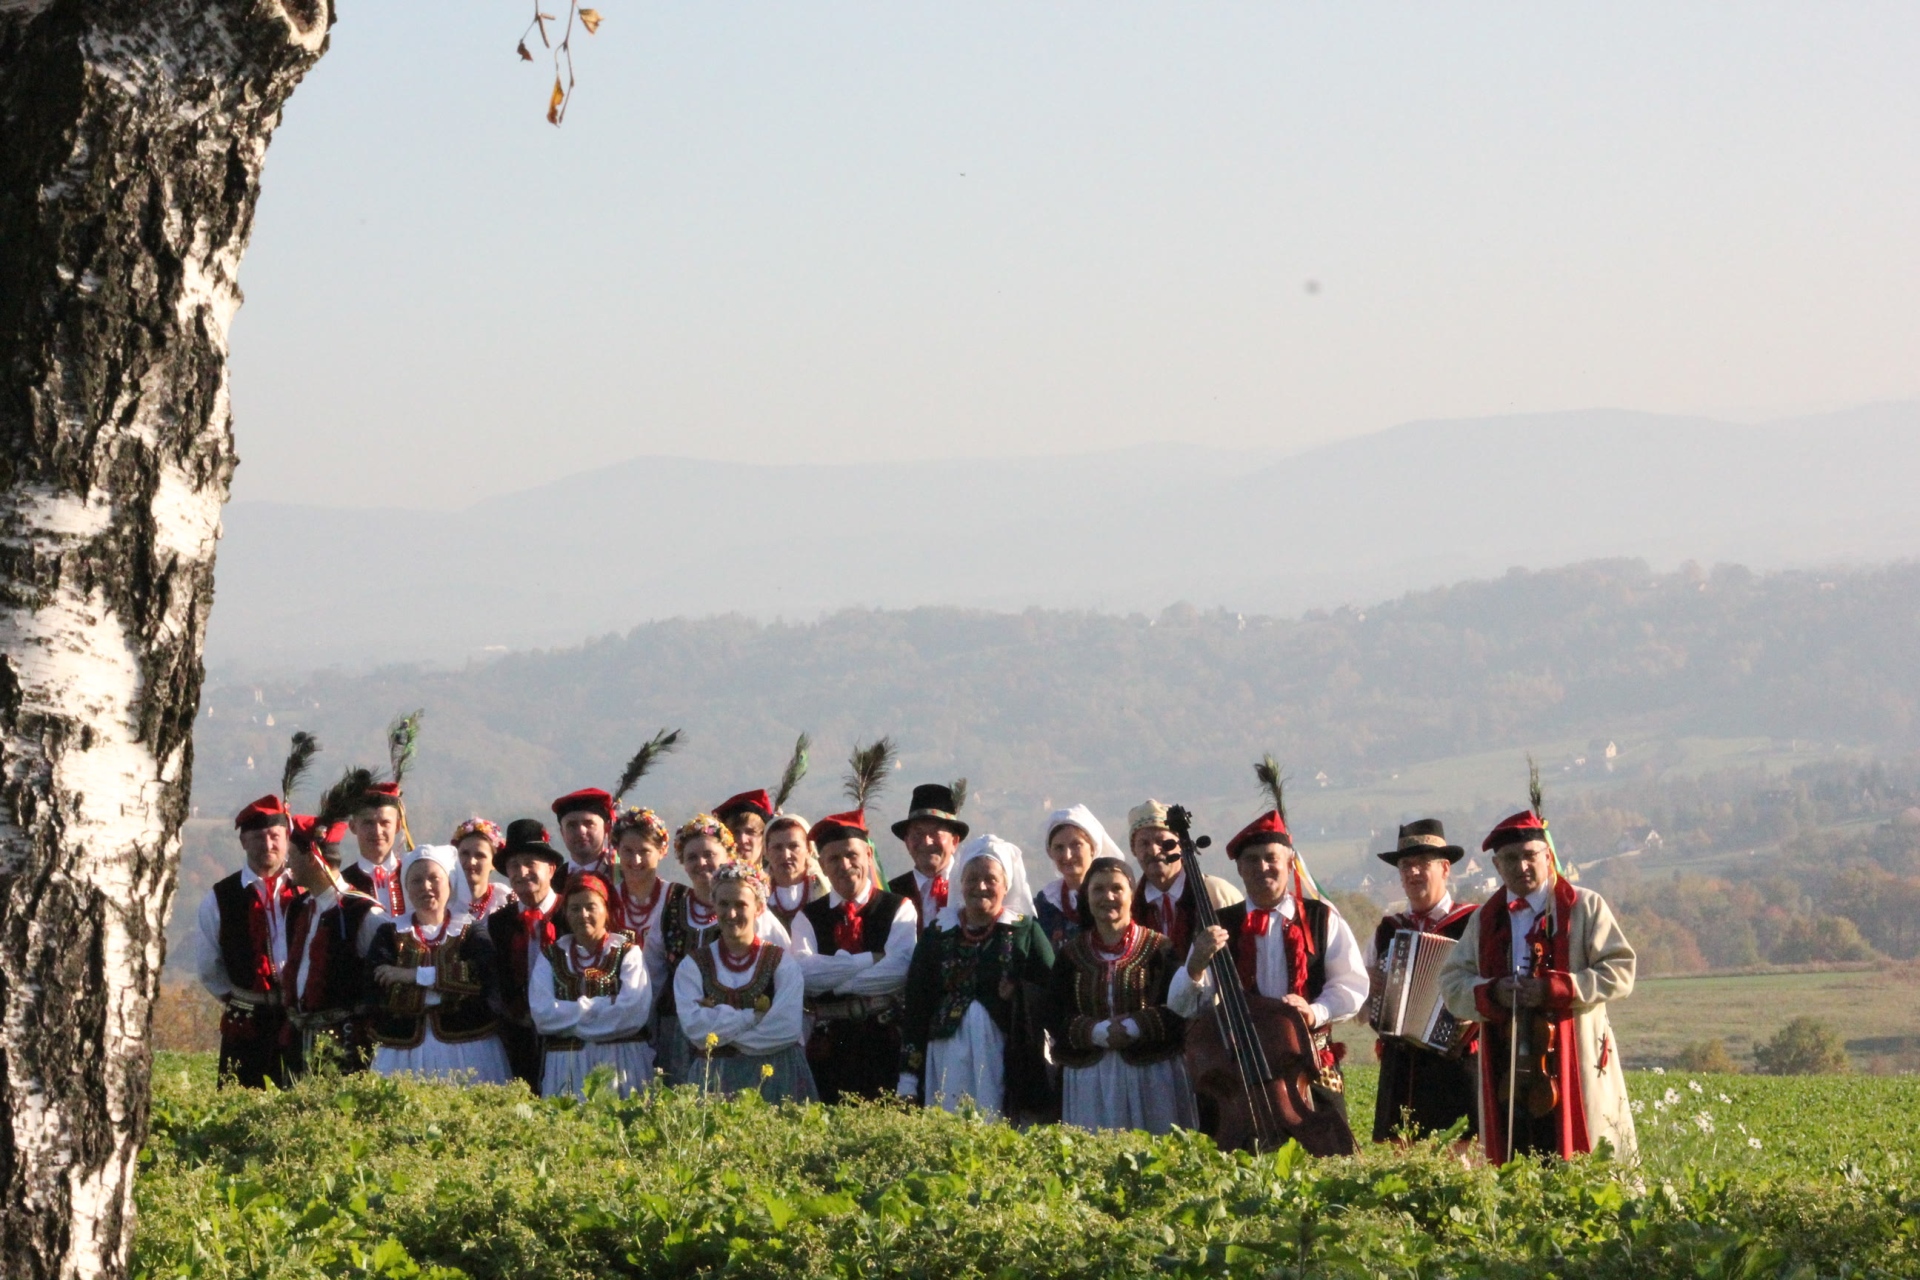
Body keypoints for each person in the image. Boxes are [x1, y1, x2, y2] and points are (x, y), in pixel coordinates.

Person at [1438, 810, 1638, 1163]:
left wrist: (1559, 989)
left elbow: (1621, 970)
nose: (1522, 866)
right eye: (1510, 859)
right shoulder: (1485, 919)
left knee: (1581, 1156)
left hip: (1575, 1055)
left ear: (1548, 856)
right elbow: (1452, 982)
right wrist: (1492, 992)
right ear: (1497, 866)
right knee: (1514, 1153)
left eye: (1530, 855)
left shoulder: (1584, 906)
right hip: (1506, 1063)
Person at [1169, 807, 1369, 1126]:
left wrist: (1315, 1012)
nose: (1262, 867)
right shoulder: (1218, 925)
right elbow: (1182, 1005)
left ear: (1289, 863)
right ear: (1239, 869)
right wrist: (1195, 965)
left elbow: (1351, 985)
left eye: (1270, 858)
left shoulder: (1321, 918)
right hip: (1243, 1071)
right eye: (1251, 860)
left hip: (1311, 1064)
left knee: (1328, 1145)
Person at [898, 834, 1054, 1121]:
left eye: (990, 879)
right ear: (960, 883)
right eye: (972, 878)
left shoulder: (1025, 931)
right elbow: (917, 1004)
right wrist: (908, 1077)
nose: (980, 886)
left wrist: (1019, 992)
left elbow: (1053, 989)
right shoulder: (938, 933)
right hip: (946, 1056)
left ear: (1006, 885)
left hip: (1004, 1054)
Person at [1048, 857, 1196, 1135]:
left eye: (1117, 888)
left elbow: (1180, 1007)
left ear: (1131, 894)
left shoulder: (1159, 948)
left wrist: (1134, 1026)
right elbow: (1054, 1013)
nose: (1108, 897)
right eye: (1098, 889)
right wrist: (1098, 1032)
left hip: (1152, 1074)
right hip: (1089, 1080)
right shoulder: (1071, 955)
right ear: (1087, 896)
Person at [788, 809, 919, 1101]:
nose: (844, 865)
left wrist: (836, 982)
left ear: (868, 856)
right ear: (822, 865)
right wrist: (870, 959)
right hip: (828, 1044)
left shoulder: (899, 908)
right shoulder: (808, 917)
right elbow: (804, 975)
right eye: (834, 859)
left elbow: (899, 970)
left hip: (885, 1039)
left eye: (851, 855)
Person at [1365, 819, 1479, 1145]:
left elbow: (1492, 985)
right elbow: (1359, 988)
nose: (1413, 873)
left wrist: (1472, 1014)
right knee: (1403, 1159)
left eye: (1423, 863)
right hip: (1402, 1069)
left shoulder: (1474, 922)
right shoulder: (1389, 929)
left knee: (1462, 1158)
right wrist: (1372, 987)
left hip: (1457, 1066)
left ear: (1445, 869)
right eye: (1406, 866)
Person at [655, 814, 792, 1085]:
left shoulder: (755, 912)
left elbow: (783, 967)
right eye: (692, 857)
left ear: (728, 855)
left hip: (753, 1038)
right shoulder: (671, 909)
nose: (701, 863)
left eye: (709, 854)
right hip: (683, 1026)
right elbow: (654, 971)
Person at [364, 845, 511, 1084]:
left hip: (469, 1046)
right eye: (416, 880)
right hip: (402, 1052)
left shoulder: (470, 931)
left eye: (434, 878)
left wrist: (413, 976)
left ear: (450, 883)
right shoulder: (389, 933)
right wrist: (450, 991)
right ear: (406, 887)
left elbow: (482, 980)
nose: (426, 886)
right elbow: (378, 988)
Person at [675, 863, 818, 1102]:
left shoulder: (781, 962)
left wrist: (720, 1032)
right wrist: (753, 1018)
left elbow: (786, 1028)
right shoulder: (693, 965)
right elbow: (695, 1029)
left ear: (759, 908)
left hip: (776, 1076)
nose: (731, 914)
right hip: (715, 1077)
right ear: (713, 905)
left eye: (741, 905)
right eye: (724, 904)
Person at [198, 795, 305, 1088]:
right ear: (244, 842)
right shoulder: (221, 897)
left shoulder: (305, 890)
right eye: (258, 837)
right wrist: (242, 999)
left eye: (275, 836)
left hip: (299, 1018)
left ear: (287, 839)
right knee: (241, 1097)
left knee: (300, 1098)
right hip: (246, 1022)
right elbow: (208, 967)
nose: (268, 844)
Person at [529, 870, 655, 1098]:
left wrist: (568, 1016)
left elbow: (633, 1013)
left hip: (620, 1062)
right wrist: (604, 1006)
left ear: (606, 910)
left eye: (590, 907)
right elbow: (543, 1015)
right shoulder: (550, 957)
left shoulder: (628, 953)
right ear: (566, 913)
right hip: (566, 1065)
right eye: (575, 908)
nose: (583, 915)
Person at [283, 813, 383, 1074]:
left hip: (345, 1044)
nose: (287, 863)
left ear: (312, 859)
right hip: (298, 1043)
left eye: (292, 855)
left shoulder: (364, 913)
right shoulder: (298, 908)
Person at [485, 818, 570, 1092]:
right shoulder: (498, 922)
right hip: (518, 1035)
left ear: (551, 869)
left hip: (567, 1032)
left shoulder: (571, 914)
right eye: (513, 866)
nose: (522, 872)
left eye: (530, 864)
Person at [1127, 799, 1242, 959]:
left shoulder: (1218, 892)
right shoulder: (1129, 903)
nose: (1154, 850)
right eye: (1144, 844)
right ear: (1134, 850)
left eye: (1162, 842)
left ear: (1180, 844)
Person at [1033, 805, 1125, 951]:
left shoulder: (1114, 899)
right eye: (1059, 847)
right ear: (1050, 852)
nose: (1067, 855)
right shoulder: (1044, 904)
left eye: (1076, 845)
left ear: (1092, 848)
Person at [887, 782, 969, 927]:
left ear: (954, 842)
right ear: (907, 842)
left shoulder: (970, 887)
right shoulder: (891, 894)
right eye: (918, 833)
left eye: (936, 833)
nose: (927, 842)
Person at [341, 780, 407, 914]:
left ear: (397, 826)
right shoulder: (343, 884)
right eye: (368, 823)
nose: (377, 831)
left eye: (385, 823)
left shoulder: (411, 876)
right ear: (353, 826)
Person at [764, 813, 831, 930]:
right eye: (777, 847)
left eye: (793, 846)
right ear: (766, 852)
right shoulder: (757, 892)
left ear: (809, 850)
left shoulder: (825, 889)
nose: (786, 855)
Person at [451, 818, 514, 919]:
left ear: (494, 863)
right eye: (465, 854)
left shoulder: (505, 900)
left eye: (480, 855)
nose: (471, 862)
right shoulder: (442, 900)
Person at [550, 787, 616, 877]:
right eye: (572, 825)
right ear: (562, 833)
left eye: (589, 823)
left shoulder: (622, 875)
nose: (581, 831)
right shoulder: (554, 879)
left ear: (607, 828)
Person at [713, 788, 774, 868]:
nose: (742, 840)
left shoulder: (780, 876)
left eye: (750, 832)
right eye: (735, 832)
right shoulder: (714, 876)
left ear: (765, 838)